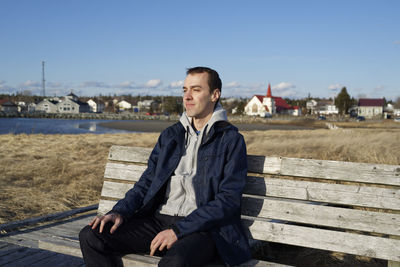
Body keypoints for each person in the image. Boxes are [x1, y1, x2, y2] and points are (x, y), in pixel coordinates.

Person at [79, 67, 251, 267]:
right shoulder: (171, 136)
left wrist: (179, 231)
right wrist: (120, 211)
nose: (187, 97)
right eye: (184, 90)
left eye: (196, 90)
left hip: (204, 228)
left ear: (214, 95)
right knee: (92, 237)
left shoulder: (231, 140)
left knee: (175, 261)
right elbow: (147, 182)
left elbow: (228, 200)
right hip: (159, 220)